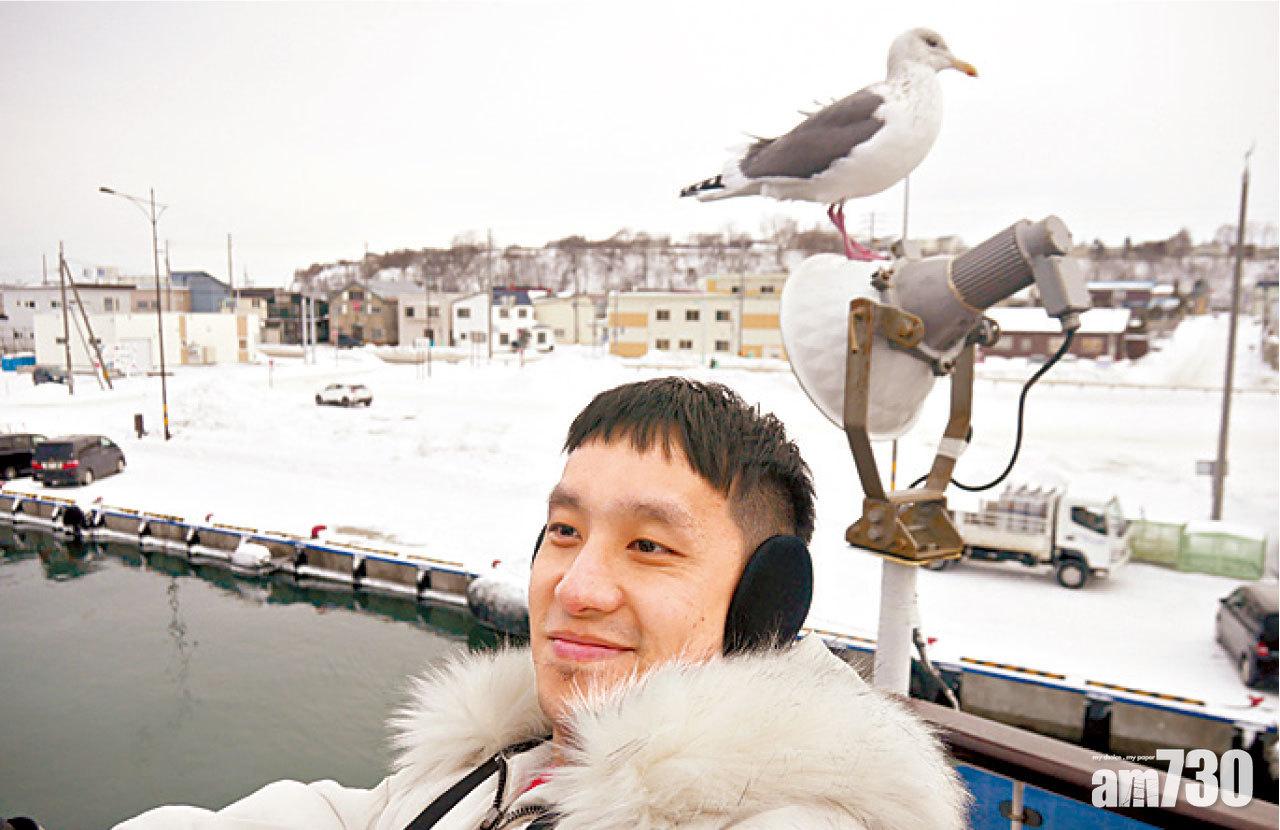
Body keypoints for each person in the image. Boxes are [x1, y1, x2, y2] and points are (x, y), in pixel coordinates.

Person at [118, 377, 970, 829]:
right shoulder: (508, 758)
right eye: (564, 532)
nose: (575, 587)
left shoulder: (794, 816)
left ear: (762, 607)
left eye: (649, 546)